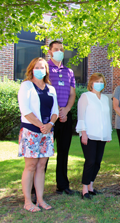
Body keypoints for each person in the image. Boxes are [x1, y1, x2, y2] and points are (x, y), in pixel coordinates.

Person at [18, 57, 59, 212]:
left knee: (41, 166)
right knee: (30, 166)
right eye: (37, 67)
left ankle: (40, 200)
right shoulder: (26, 86)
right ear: (31, 69)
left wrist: (50, 125)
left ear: (46, 71)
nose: (40, 70)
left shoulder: (51, 88)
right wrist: (41, 126)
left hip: (47, 132)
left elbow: (55, 111)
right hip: (31, 131)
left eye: (43, 67)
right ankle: (28, 201)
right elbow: (25, 110)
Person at [76, 73, 112, 199]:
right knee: (90, 161)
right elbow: (81, 116)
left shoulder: (105, 98)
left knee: (97, 162)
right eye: (97, 81)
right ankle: (84, 189)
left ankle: (91, 186)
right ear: (91, 83)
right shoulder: (85, 96)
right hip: (89, 135)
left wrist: (108, 133)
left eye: (101, 81)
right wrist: (83, 133)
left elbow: (106, 117)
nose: (99, 83)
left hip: (101, 135)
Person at [47, 41, 76, 195]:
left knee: (64, 152)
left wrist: (66, 110)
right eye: (56, 49)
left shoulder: (69, 72)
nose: (59, 52)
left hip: (65, 116)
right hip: (48, 118)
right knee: (44, 153)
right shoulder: (44, 68)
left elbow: (72, 94)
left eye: (61, 50)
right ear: (50, 52)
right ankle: (35, 187)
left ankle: (62, 185)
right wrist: (56, 112)